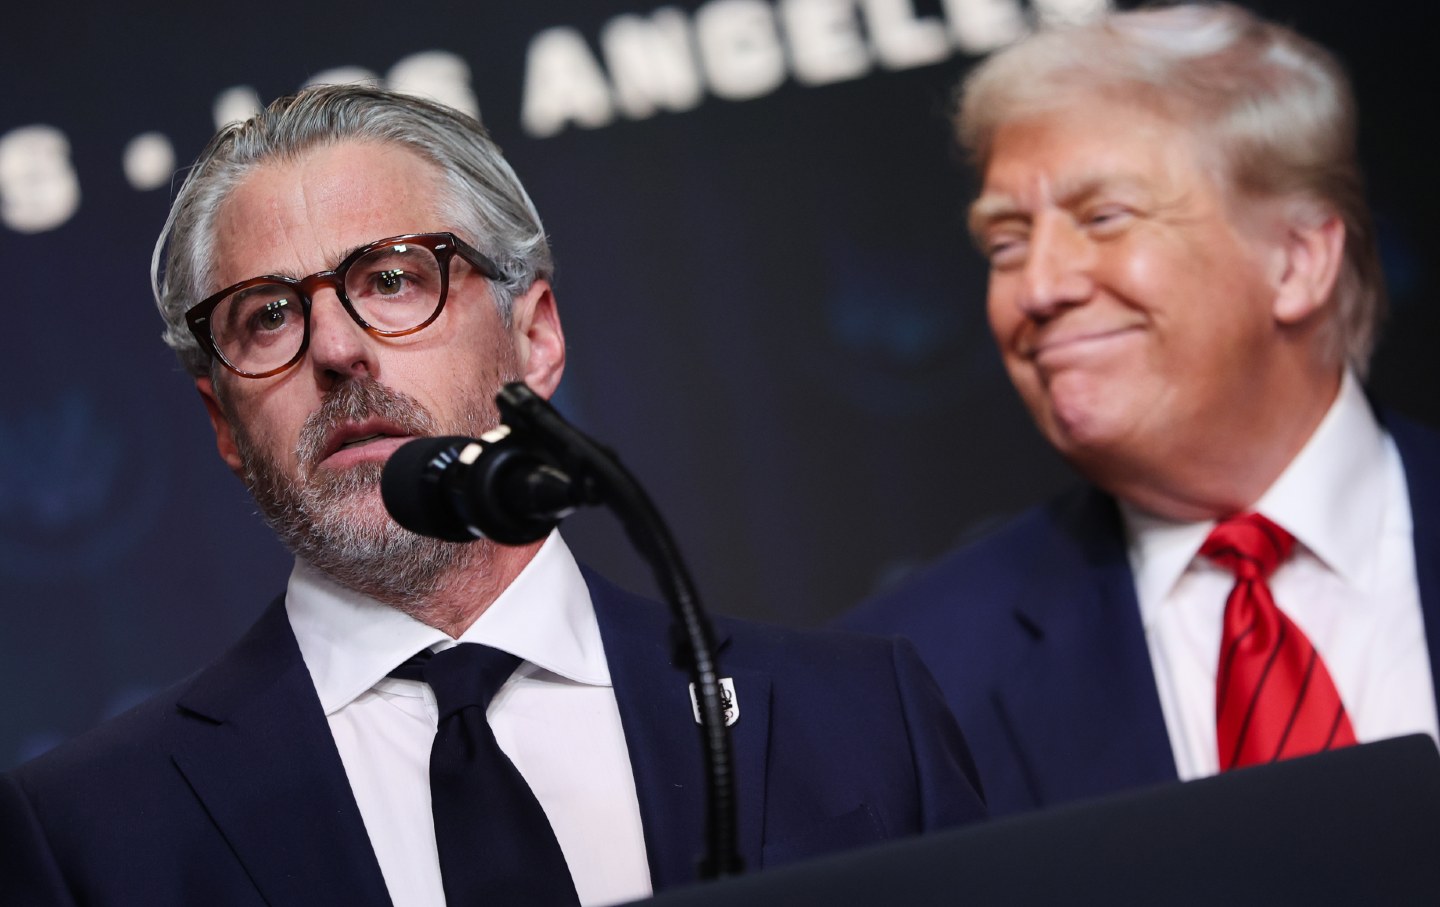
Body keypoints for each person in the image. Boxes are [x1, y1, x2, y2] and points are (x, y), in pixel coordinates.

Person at [0, 84, 984, 906]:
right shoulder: (90, 833)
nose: (338, 349)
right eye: (267, 315)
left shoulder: (854, 717)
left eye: (391, 279)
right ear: (221, 420)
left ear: (536, 337)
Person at [844, 2, 1440, 818]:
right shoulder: (906, 685)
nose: (1040, 286)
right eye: (1007, 243)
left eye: (1103, 218)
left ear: (1297, 262)